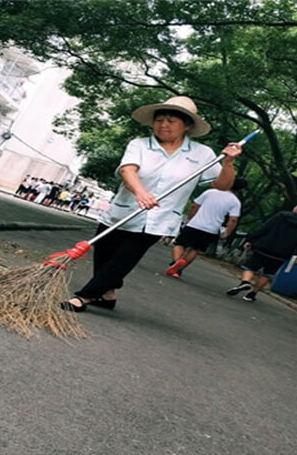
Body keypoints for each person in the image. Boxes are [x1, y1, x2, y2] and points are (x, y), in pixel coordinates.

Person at [61, 96, 242, 312]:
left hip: (159, 217)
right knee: (104, 253)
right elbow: (128, 170)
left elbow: (221, 185)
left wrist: (228, 163)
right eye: (160, 120)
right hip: (123, 211)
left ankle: (85, 297)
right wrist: (141, 192)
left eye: (171, 121)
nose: (164, 125)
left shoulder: (202, 154)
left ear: (187, 126)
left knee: (125, 257)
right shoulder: (139, 145)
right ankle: (107, 295)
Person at [226, 202, 297, 302]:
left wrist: (251, 240)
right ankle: (252, 294)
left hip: (264, 247)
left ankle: (245, 282)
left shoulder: (281, 215)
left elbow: (265, 228)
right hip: (282, 254)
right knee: (268, 273)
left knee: (250, 267)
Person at [166, 177, 246, 279]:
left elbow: (194, 206)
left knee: (180, 244)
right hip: (211, 229)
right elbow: (233, 219)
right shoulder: (235, 202)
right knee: (195, 249)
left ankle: (176, 262)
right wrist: (227, 233)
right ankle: (178, 269)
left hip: (195, 224)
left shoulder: (210, 192)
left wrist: (190, 219)